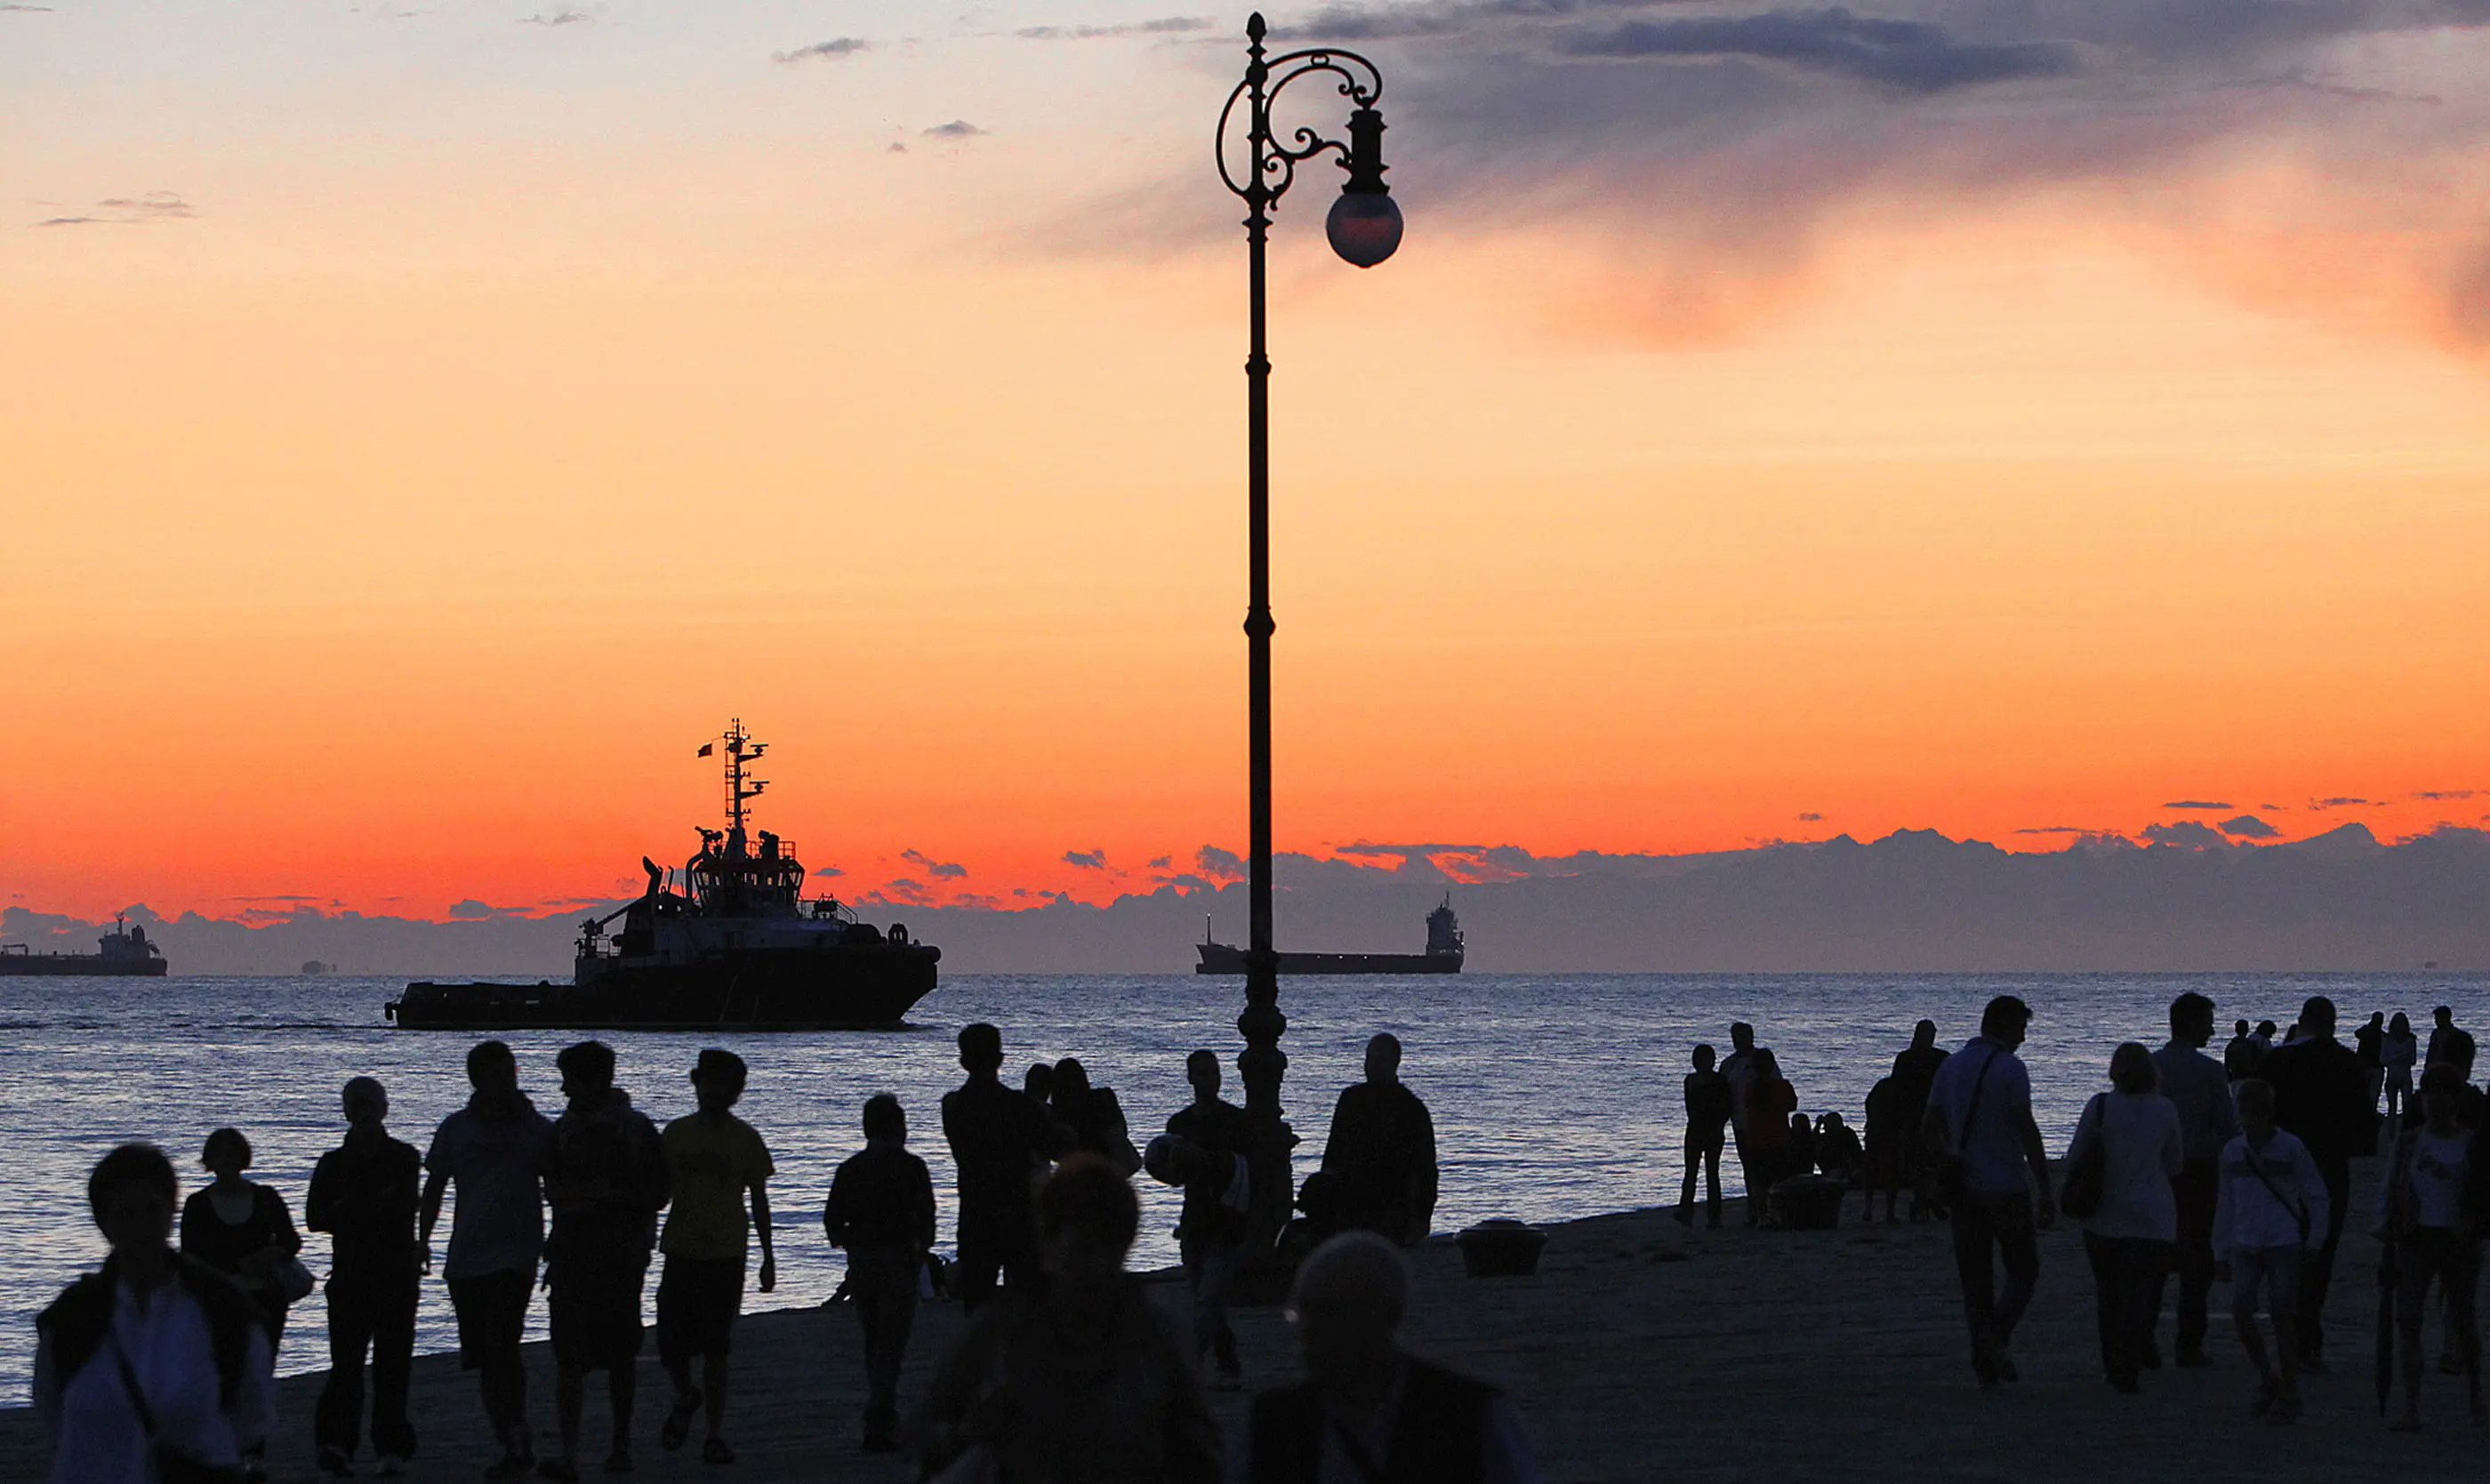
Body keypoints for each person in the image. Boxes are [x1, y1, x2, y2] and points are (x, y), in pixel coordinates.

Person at [912, 1156, 1220, 1484]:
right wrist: (969, 1432)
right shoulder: (1000, 1331)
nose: (1094, 1267)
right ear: (1050, 1241)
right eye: (1083, 1250)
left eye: (1108, 1250)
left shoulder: (1158, 1338)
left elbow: (1202, 1450)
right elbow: (925, 1430)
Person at [36, 1143, 277, 1484]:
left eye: (152, 1208)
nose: (142, 1225)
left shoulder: (221, 1311)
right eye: (127, 1213)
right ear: (103, 1222)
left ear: (171, 1210)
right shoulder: (73, 1318)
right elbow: (50, 1404)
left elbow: (253, 1411)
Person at [1232, 1231, 1541, 1484]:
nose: (1308, 1333)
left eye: (1329, 1314)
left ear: (1385, 1318)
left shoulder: (1471, 1416)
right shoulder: (1273, 1421)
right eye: (1302, 1314)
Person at [421, 1039, 556, 1479]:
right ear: (478, 1079)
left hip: (516, 1252)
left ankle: (517, 1435)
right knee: (483, 1354)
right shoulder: (456, 1128)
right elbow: (435, 1185)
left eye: (510, 1073)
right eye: (497, 1074)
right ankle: (508, 1435)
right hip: (466, 1253)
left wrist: (558, 1239)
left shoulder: (535, 1128)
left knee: (503, 1343)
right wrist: (422, 1239)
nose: (506, 1082)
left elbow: (557, 1184)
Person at [540, 1039, 671, 1480]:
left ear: (594, 1080)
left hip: (617, 1256)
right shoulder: (567, 1130)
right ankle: (577, 1452)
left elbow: (657, 1194)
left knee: (616, 1358)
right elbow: (553, 1189)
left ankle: (615, 1446)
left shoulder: (632, 1131)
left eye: (571, 1080)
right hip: (578, 1254)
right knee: (571, 1359)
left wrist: (606, 1199)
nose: (564, 1090)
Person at [1923, 995, 2054, 1387]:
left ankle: (1985, 1359)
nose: (2024, 1038)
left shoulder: (1951, 1066)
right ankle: (1993, 1338)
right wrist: (2045, 1187)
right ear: (2005, 1025)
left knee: (1975, 1281)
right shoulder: (2011, 1069)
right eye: (2021, 1029)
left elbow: (1928, 1127)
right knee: (2024, 1271)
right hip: (2006, 1186)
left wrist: (1948, 1156)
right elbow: (2026, 1129)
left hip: (1964, 1188)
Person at [655, 1048, 776, 1465]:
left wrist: (768, 1257)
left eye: (725, 1085)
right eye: (709, 1082)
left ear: (736, 1091)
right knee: (670, 1343)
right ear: (696, 1083)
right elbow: (657, 1194)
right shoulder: (675, 1135)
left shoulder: (745, 1139)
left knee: (716, 1348)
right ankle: (686, 1395)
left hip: (726, 1251)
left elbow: (759, 1200)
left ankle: (714, 1432)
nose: (716, 1091)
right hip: (681, 1248)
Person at [307, 1076, 423, 1478]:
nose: (364, 1110)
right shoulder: (333, 1162)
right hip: (351, 1277)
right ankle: (337, 1443)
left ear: (383, 1108)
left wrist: (349, 1208)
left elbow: (404, 1205)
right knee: (347, 1366)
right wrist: (371, 1204)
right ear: (347, 1111)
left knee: (393, 1365)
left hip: (394, 1276)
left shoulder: (404, 1157)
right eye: (357, 1103)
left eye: (370, 1103)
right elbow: (315, 1218)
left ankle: (391, 1446)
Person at [2257, 994, 2366, 1371]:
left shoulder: (2276, 1062)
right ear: (2333, 1024)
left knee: (2282, 1249)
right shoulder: (2347, 1063)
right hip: (2329, 1166)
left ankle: (2288, 1329)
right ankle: (2307, 1333)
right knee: (2320, 1253)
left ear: (2301, 1021)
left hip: (2282, 1169)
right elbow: (2365, 1130)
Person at [2065, 1043, 2181, 1393]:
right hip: (2151, 1213)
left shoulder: (2099, 1106)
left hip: (2103, 1213)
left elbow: (2075, 1156)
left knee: (2110, 1293)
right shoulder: (2164, 1109)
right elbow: (2175, 1163)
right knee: (2141, 1291)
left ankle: (2113, 1363)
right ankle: (2133, 1355)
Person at [823, 1094, 936, 1454]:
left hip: (865, 1261)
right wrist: (920, 1252)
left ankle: (880, 1414)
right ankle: (880, 1416)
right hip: (900, 1261)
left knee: (873, 1340)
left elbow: (832, 1221)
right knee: (892, 1343)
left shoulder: (851, 1168)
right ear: (900, 1128)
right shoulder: (913, 1168)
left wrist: (851, 1247)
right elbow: (928, 1220)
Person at [2213, 1079, 2328, 1424]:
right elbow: (2226, 1203)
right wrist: (2219, 1249)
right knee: (2241, 1309)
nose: (2248, 1121)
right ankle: (2268, 1376)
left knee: (2282, 1313)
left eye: (2254, 1113)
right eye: (2244, 1114)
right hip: (2246, 1243)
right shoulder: (2233, 1152)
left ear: (2267, 1113)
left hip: (2283, 1242)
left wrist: (2315, 1240)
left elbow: (2316, 1195)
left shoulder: (2290, 1148)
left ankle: (2289, 1389)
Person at [2380, 1064, 2486, 1430]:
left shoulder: (2471, 1144)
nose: (2434, 1102)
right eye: (2428, 1094)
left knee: (2464, 1321)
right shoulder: (2409, 1142)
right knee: (2408, 1321)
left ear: (2455, 1100)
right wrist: (2385, 1222)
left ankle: (2475, 1399)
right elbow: (2392, 1182)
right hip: (2416, 1236)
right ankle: (2412, 1406)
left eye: (2441, 1094)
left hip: (2458, 1241)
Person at [2147, 991, 2237, 1370]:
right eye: (2208, 1023)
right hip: (2199, 1170)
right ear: (2194, 1024)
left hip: (2155, 1173)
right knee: (2197, 1259)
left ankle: (2144, 1338)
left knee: (2153, 1256)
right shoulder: (2211, 1071)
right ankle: (2189, 1343)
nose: (2213, 1031)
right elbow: (2227, 1128)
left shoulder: (2151, 1066)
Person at [943, 1023, 1062, 1311]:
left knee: (977, 1307)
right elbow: (1054, 1148)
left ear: (963, 1061)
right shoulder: (1022, 1108)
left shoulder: (954, 1106)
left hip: (975, 1213)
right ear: (999, 1059)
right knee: (1027, 1306)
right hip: (1017, 1214)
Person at [1162, 1049, 1257, 1390]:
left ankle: (1188, 1367)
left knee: (1207, 1299)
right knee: (1207, 1298)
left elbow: (1246, 1168)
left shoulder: (1235, 1121)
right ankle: (1228, 1362)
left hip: (1225, 1221)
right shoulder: (1180, 1124)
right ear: (1190, 1078)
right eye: (1202, 1074)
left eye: (1213, 1073)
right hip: (1194, 1222)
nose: (1209, 1080)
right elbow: (1171, 1174)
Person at [179, 1127, 305, 1354]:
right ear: (211, 1161)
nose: (226, 1160)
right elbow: (190, 1255)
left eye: (232, 1153)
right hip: (218, 1301)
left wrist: (272, 1254)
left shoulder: (266, 1197)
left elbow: (291, 1241)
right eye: (220, 1154)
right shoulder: (197, 1204)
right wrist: (238, 1265)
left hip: (266, 1298)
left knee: (262, 1365)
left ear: (242, 1158)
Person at [1318, 1033, 1439, 1247]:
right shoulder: (1350, 1099)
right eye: (1369, 1059)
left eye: (1379, 1060)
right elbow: (1334, 1152)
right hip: (1349, 1207)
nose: (1372, 1066)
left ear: (1395, 1063)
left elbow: (1425, 1170)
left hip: (1390, 1211)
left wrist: (1420, 1218)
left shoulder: (1410, 1109)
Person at [1890, 1021, 1949, 1219]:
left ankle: (1925, 1201)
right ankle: (1927, 1200)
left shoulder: (1907, 1059)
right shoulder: (1939, 1058)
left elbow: (1895, 1088)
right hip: (1923, 1116)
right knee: (1926, 1161)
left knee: (1922, 1162)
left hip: (1917, 1116)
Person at [1055, 1057, 1143, 1175]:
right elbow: (1122, 1128)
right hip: (1113, 1168)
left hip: (1080, 1174)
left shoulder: (1060, 1113)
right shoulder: (1104, 1097)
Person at [1675, 1044, 1731, 1228]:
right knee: (1691, 1172)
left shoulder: (1720, 1081)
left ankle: (1714, 1216)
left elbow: (1726, 1108)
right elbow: (1690, 1107)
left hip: (1711, 1130)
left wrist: (1718, 1124)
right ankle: (1686, 1211)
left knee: (1711, 1173)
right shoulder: (1690, 1080)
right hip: (1696, 1129)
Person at [1739, 1051, 1797, 1217]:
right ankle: (1777, 1214)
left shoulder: (1750, 1088)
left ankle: (1761, 1216)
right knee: (1779, 1181)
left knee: (1759, 1183)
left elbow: (1746, 1105)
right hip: (1779, 1139)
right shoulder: (1783, 1086)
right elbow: (1792, 1105)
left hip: (1756, 1140)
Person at [1721, 1023, 1767, 1227]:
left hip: (1760, 1122)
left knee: (1762, 1166)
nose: (1737, 1040)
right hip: (1739, 1122)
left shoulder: (1762, 1061)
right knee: (1748, 1166)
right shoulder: (1729, 1064)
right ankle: (1753, 1206)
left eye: (1741, 1036)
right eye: (1734, 1037)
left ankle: (1761, 1207)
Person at [1861, 1078, 1905, 1223]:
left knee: (1871, 1172)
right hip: (1891, 1134)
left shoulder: (1882, 1085)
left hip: (1874, 1131)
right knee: (1891, 1172)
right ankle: (1889, 1212)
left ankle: (1868, 1208)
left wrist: (1871, 1120)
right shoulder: (1900, 1088)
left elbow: (1868, 1102)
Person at [2383, 1013, 2421, 1125]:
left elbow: (2413, 1061)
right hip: (2397, 1076)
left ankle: (2399, 1134)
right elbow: (2383, 1060)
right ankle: (2395, 1134)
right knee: (2394, 1110)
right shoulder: (2389, 1039)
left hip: (2399, 1076)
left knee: (2399, 1109)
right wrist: (2399, 1057)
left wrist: (2400, 1058)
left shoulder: (2390, 1039)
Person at [1814, 1111, 1864, 1184]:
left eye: (1826, 1125)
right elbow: (1815, 1138)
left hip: (1844, 1170)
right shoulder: (1846, 1133)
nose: (1824, 1128)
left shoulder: (1844, 1135)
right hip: (1837, 1170)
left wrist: (1818, 1125)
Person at [2429, 1006, 2477, 1075]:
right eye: (2436, 1018)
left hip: (2450, 1070)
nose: (2436, 1021)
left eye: (2438, 1018)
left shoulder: (2456, 1035)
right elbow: (2431, 1053)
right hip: (2435, 1068)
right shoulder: (2435, 1034)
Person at [2225, 1019, 2261, 1085]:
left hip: (2238, 1077)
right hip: (2246, 1077)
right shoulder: (2251, 1045)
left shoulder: (2232, 1045)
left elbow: (2227, 1064)